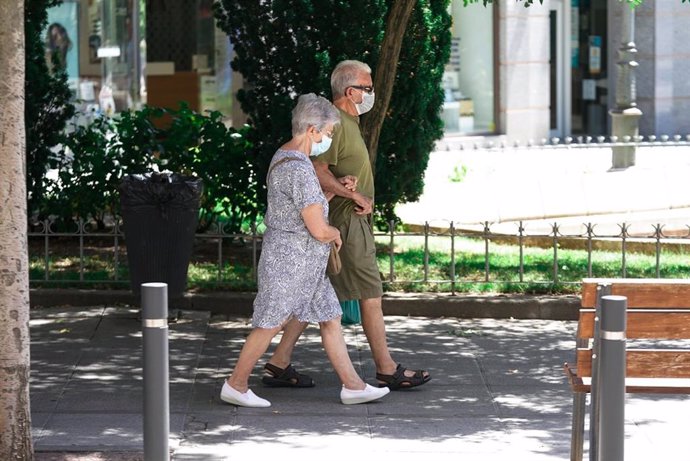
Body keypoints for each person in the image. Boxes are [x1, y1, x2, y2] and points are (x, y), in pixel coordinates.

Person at [261, 60, 431, 390]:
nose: (372, 94)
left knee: (318, 293)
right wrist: (351, 195)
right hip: (345, 222)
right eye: (367, 88)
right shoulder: (336, 124)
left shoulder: (348, 123)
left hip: (346, 220)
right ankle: (386, 368)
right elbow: (317, 168)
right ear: (351, 91)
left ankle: (279, 362)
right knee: (370, 293)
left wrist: (346, 187)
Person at [219, 93, 390, 407]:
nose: (328, 138)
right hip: (291, 263)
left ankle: (353, 385)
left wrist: (333, 191)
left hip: (302, 263)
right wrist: (335, 232)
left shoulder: (285, 156)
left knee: (330, 318)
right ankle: (236, 384)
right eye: (327, 133)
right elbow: (318, 228)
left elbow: (307, 208)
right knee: (269, 323)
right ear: (312, 130)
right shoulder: (298, 168)